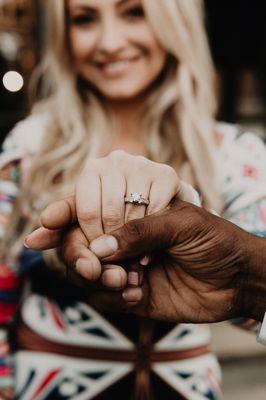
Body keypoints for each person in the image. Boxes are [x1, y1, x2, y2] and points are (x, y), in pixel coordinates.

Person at [1, 1, 266, 400]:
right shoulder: (31, 146)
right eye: (84, 19)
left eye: (134, 12)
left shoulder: (235, 155)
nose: (110, 42)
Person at [25, 196, 266, 324]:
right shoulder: (31, 140)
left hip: (182, 380)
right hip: (52, 369)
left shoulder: (232, 148)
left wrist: (240, 286)